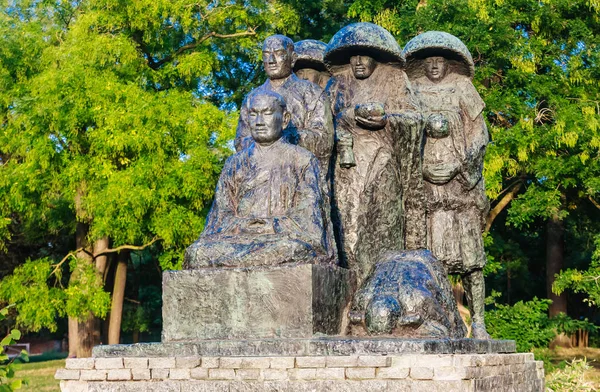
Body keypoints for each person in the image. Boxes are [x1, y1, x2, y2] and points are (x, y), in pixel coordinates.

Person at [403, 31, 491, 339]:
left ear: (449, 64)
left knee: (471, 259)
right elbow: (402, 135)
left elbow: (480, 134)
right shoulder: (410, 91)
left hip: (460, 185)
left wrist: (460, 165)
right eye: (429, 62)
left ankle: (478, 321)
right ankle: (434, 319)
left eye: (441, 61)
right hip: (425, 185)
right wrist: (420, 168)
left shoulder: (462, 88)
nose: (435, 67)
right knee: (426, 256)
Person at [324, 23, 425, 286]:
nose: (358, 62)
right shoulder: (336, 84)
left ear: (376, 56)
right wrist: (348, 117)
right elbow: (320, 123)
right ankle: (348, 289)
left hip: (382, 162)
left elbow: (414, 119)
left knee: (382, 225)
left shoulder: (394, 80)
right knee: (347, 229)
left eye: (364, 55)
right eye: (353, 56)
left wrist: (386, 118)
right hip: (346, 168)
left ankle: (382, 288)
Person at [184, 91, 333, 268]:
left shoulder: (302, 160)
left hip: (280, 239)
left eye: (267, 113)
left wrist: (271, 225)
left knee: (293, 249)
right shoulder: (234, 163)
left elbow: (309, 220)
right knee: (197, 253)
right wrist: (243, 225)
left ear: (285, 119)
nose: (259, 121)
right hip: (240, 238)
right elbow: (219, 217)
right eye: (253, 114)